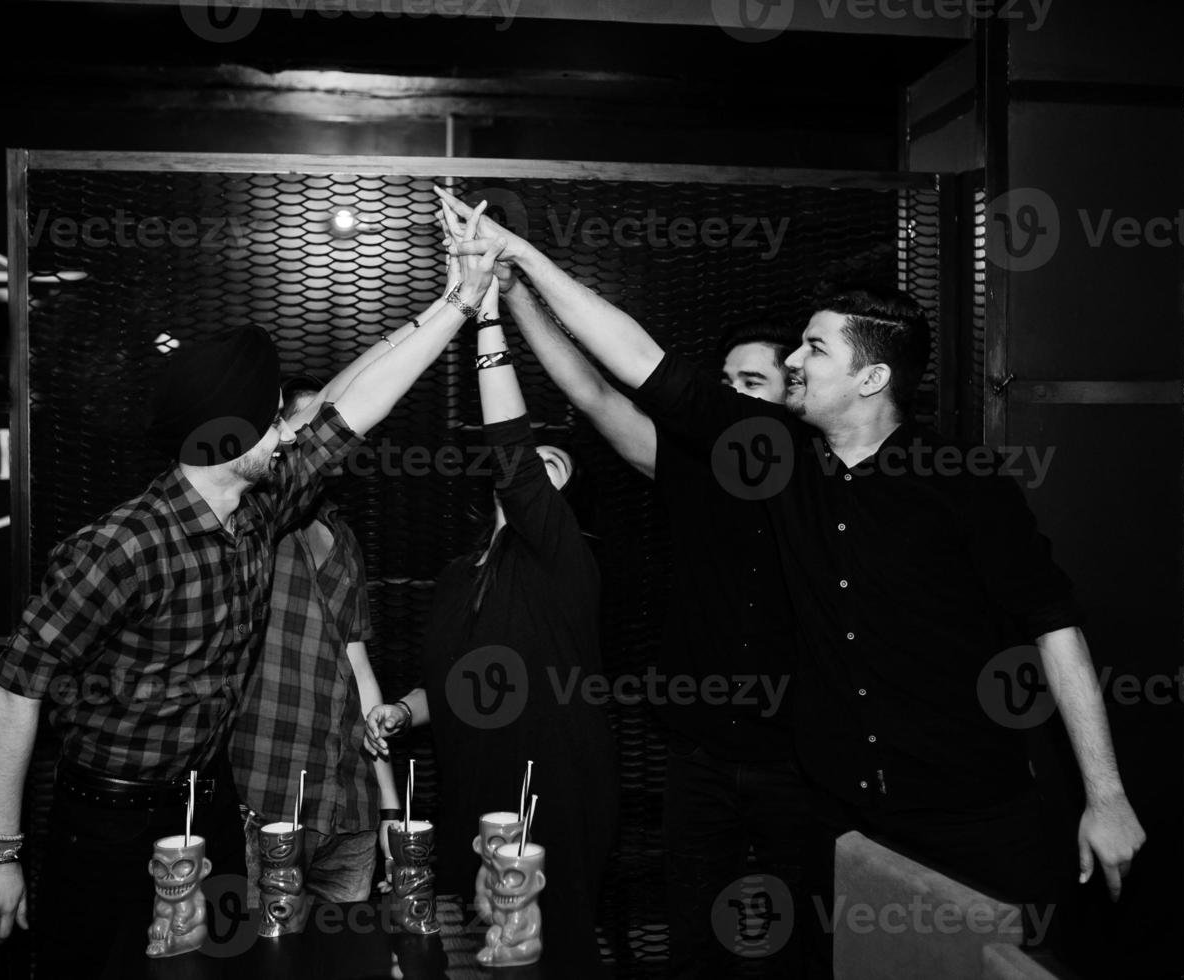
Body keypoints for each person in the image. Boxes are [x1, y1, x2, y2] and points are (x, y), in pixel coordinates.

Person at [436, 186, 1146, 971]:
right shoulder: (776, 458)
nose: (794, 362)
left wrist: (1105, 796)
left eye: (814, 350)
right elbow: (636, 365)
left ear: (871, 380)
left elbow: (1052, 622)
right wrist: (519, 261)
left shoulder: (963, 481)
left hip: (973, 805)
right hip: (850, 810)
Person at [0, 200, 504, 979]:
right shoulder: (119, 547)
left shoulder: (260, 506)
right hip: (104, 815)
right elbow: (16, 686)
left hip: (206, 800)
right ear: (229, 435)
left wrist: (456, 300)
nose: (287, 433)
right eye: (272, 421)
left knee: (225, 969)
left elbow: (354, 412)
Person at [502, 275, 807, 977]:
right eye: (723, 380)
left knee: (800, 939)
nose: (729, 395)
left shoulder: (820, 480)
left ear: (795, 393)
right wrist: (517, 298)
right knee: (693, 938)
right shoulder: (694, 466)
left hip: (799, 755)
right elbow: (595, 394)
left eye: (750, 381)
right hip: (699, 751)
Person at [364, 218, 619, 970]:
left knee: (549, 956)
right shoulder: (459, 572)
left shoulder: (562, 557)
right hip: (471, 792)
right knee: (478, 955)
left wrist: (484, 314)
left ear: (563, 484)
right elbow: (458, 683)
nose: (528, 472)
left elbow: (508, 447)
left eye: (547, 462)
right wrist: (401, 709)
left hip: (553, 797)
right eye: (526, 464)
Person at [228, 371, 400, 907]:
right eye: (316, 423)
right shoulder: (250, 527)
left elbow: (359, 666)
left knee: (349, 960)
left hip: (348, 805)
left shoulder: (345, 538)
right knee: (265, 961)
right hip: (266, 795)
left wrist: (391, 809)